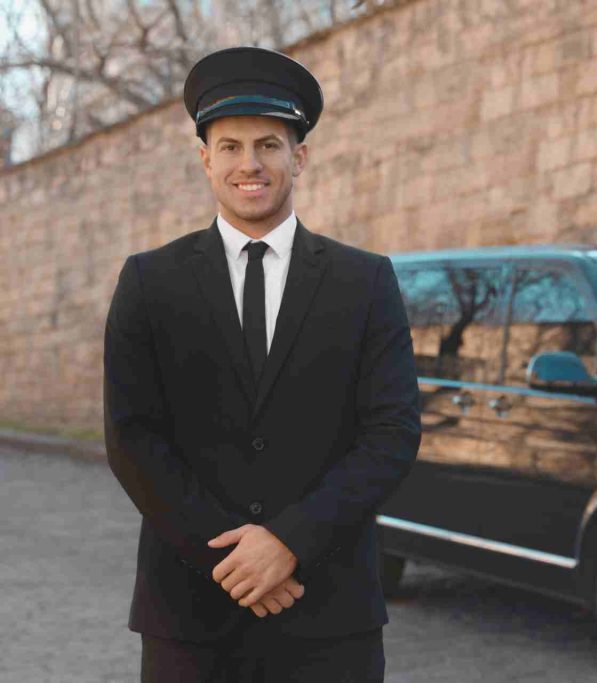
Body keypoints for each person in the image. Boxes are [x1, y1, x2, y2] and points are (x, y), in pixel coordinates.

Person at [103, 46, 421, 681]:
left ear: (298, 157)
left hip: (329, 614)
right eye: (230, 146)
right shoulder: (149, 281)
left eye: (269, 145)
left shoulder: (364, 281)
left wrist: (289, 543)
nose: (250, 164)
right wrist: (233, 560)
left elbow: (392, 432)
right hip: (190, 617)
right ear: (205, 159)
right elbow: (132, 436)